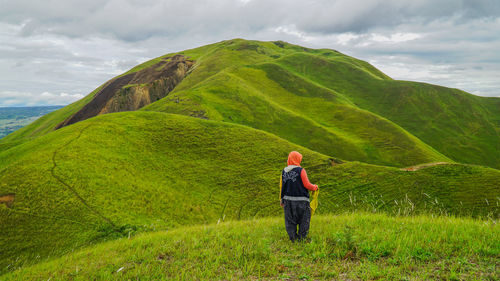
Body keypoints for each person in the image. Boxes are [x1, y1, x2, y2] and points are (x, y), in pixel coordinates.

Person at [279, 151, 318, 242]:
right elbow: (307, 185)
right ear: (297, 159)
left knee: (290, 221)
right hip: (302, 201)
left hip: (288, 201)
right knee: (304, 220)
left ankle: (293, 238)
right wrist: (315, 187)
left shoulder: (284, 171)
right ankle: (302, 239)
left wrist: (282, 199)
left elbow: (282, 186)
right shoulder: (301, 170)